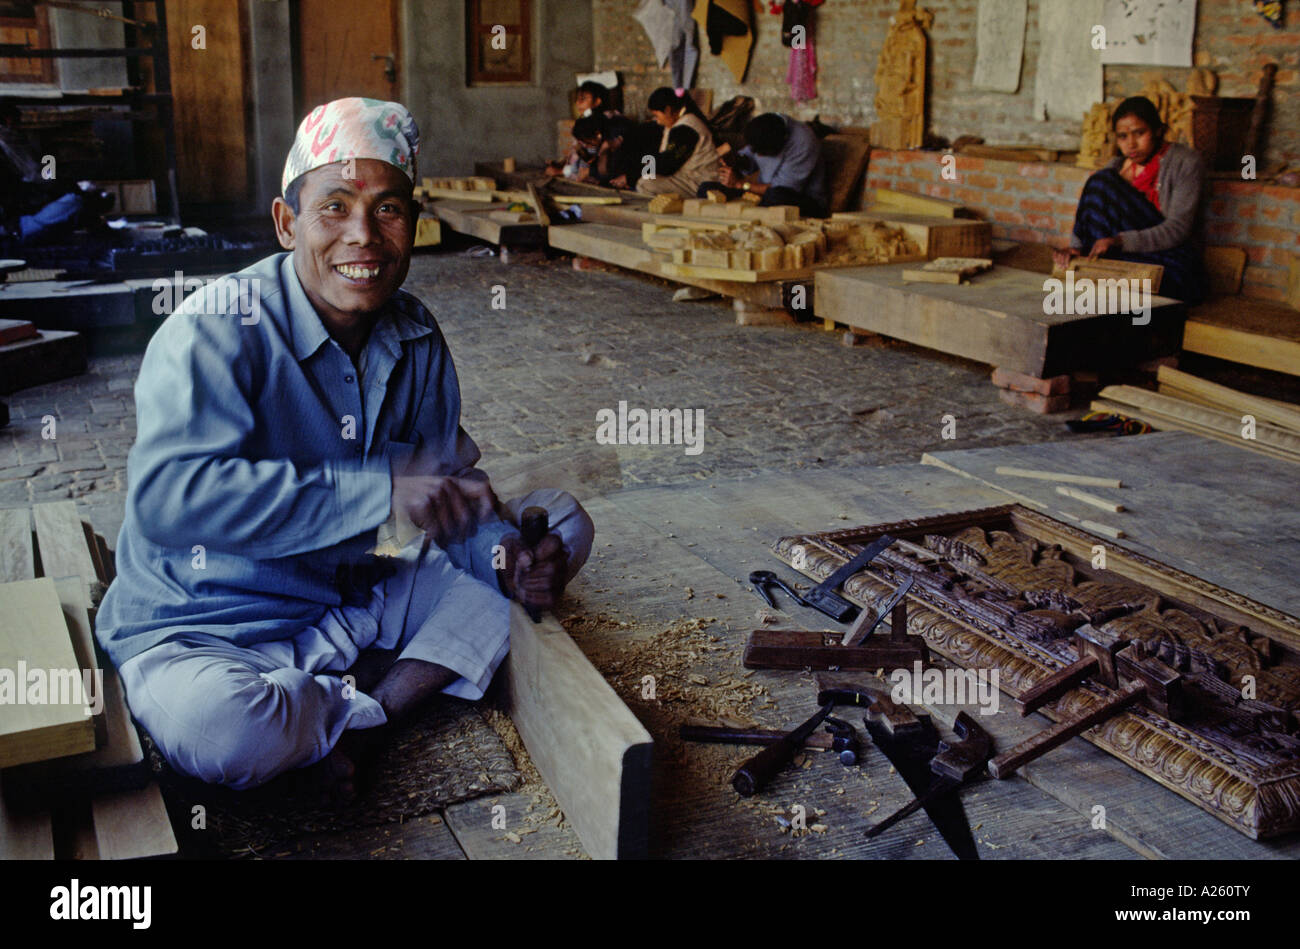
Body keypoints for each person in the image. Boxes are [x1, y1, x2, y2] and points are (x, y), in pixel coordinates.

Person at [95, 97, 595, 799]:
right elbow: (168, 502)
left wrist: (500, 556)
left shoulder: (415, 336)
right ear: (286, 222)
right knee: (226, 731)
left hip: (352, 595)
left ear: (413, 225)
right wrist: (380, 493)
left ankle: (372, 715)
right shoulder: (215, 330)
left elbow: (449, 496)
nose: (364, 236)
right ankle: (329, 710)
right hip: (206, 623)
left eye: (389, 209)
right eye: (334, 207)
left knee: (560, 523)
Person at [1053, 96, 1208, 305]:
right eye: (1123, 137)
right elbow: (1092, 211)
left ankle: (1100, 277)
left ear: (1159, 131)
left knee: (1102, 182)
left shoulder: (1185, 162)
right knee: (1099, 182)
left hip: (1171, 264)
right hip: (1130, 263)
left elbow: (1178, 229)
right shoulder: (1117, 166)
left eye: (1139, 133)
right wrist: (1076, 249)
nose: (1131, 144)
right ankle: (1093, 267)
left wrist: (1120, 241)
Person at [696, 112, 829, 218]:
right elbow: (750, 159)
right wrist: (737, 161)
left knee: (776, 197)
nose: (757, 156)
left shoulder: (803, 143)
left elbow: (783, 189)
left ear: (778, 145)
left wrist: (740, 184)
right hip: (760, 193)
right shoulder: (766, 128)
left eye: (761, 153)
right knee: (706, 188)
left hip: (803, 200)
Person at [634, 86, 720, 198]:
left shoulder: (686, 128)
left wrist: (635, 171)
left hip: (700, 183)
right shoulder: (679, 123)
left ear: (668, 110)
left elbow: (667, 167)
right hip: (688, 178)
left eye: (656, 115)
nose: (658, 121)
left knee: (645, 183)